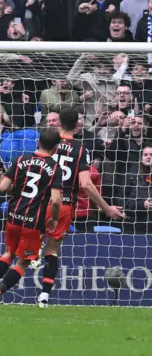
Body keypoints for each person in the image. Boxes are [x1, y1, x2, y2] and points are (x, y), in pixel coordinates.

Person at [36, 107, 126, 308]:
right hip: (64, 204)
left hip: (39, 201)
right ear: (78, 123)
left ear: (59, 122)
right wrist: (106, 207)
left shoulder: (47, 142)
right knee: (52, 251)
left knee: (25, 248)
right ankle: (44, 295)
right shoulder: (80, 149)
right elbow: (86, 184)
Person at [0, 128, 63, 309]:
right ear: (56, 147)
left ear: (38, 142)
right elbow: (55, 200)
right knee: (23, 262)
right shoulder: (55, 168)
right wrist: (54, 218)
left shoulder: (20, 159)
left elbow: (4, 187)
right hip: (34, 221)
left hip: (13, 216)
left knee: (8, 253)